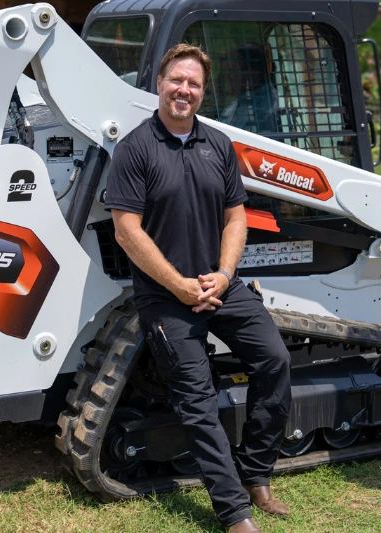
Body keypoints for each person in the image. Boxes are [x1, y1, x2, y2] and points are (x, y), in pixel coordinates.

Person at [105, 44, 292, 533]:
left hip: (221, 284)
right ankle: (234, 513)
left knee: (275, 360)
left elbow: (235, 217)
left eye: (193, 84)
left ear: (203, 92)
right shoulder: (135, 148)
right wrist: (180, 286)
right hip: (166, 297)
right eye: (176, 80)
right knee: (199, 398)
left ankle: (257, 475)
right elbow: (127, 230)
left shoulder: (217, 144)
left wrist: (225, 276)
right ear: (160, 83)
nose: (183, 90)